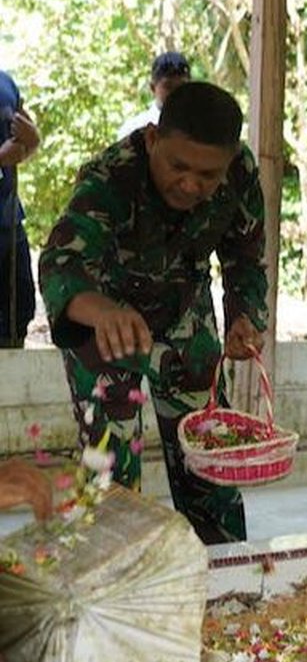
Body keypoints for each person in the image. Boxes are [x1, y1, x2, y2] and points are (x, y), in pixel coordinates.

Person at [39, 81, 268, 545]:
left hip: (184, 310)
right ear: (152, 140)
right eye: (178, 166)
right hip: (104, 323)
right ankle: (120, 590)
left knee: (208, 453)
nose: (190, 184)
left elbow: (245, 255)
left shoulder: (241, 171)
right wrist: (103, 311)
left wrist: (245, 315)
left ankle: (224, 575)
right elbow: (61, 263)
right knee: (111, 472)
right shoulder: (111, 176)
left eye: (208, 175)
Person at [0, 70, 39, 347]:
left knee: (17, 315)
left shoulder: (5, 82)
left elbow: (26, 141)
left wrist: (33, 139)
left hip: (8, 223)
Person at [117, 51, 191, 139]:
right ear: (153, 88)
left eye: (182, 86)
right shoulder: (133, 130)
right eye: (168, 86)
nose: (176, 92)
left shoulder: (200, 127)